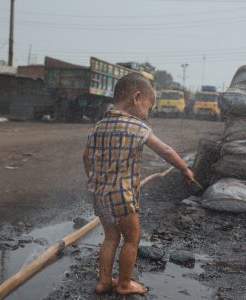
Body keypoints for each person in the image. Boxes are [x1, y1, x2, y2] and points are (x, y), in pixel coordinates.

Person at [83, 72, 195, 295]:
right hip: (123, 197)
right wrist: (184, 168)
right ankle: (125, 284)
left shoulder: (99, 126)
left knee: (110, 237)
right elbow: (165, 151)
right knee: (132, 238)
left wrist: (94, 179)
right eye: (149, 106)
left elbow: (86, 158)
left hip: (99, 194)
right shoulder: (138, 127)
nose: (148, 113)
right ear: (136, 98)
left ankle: (104, 281)